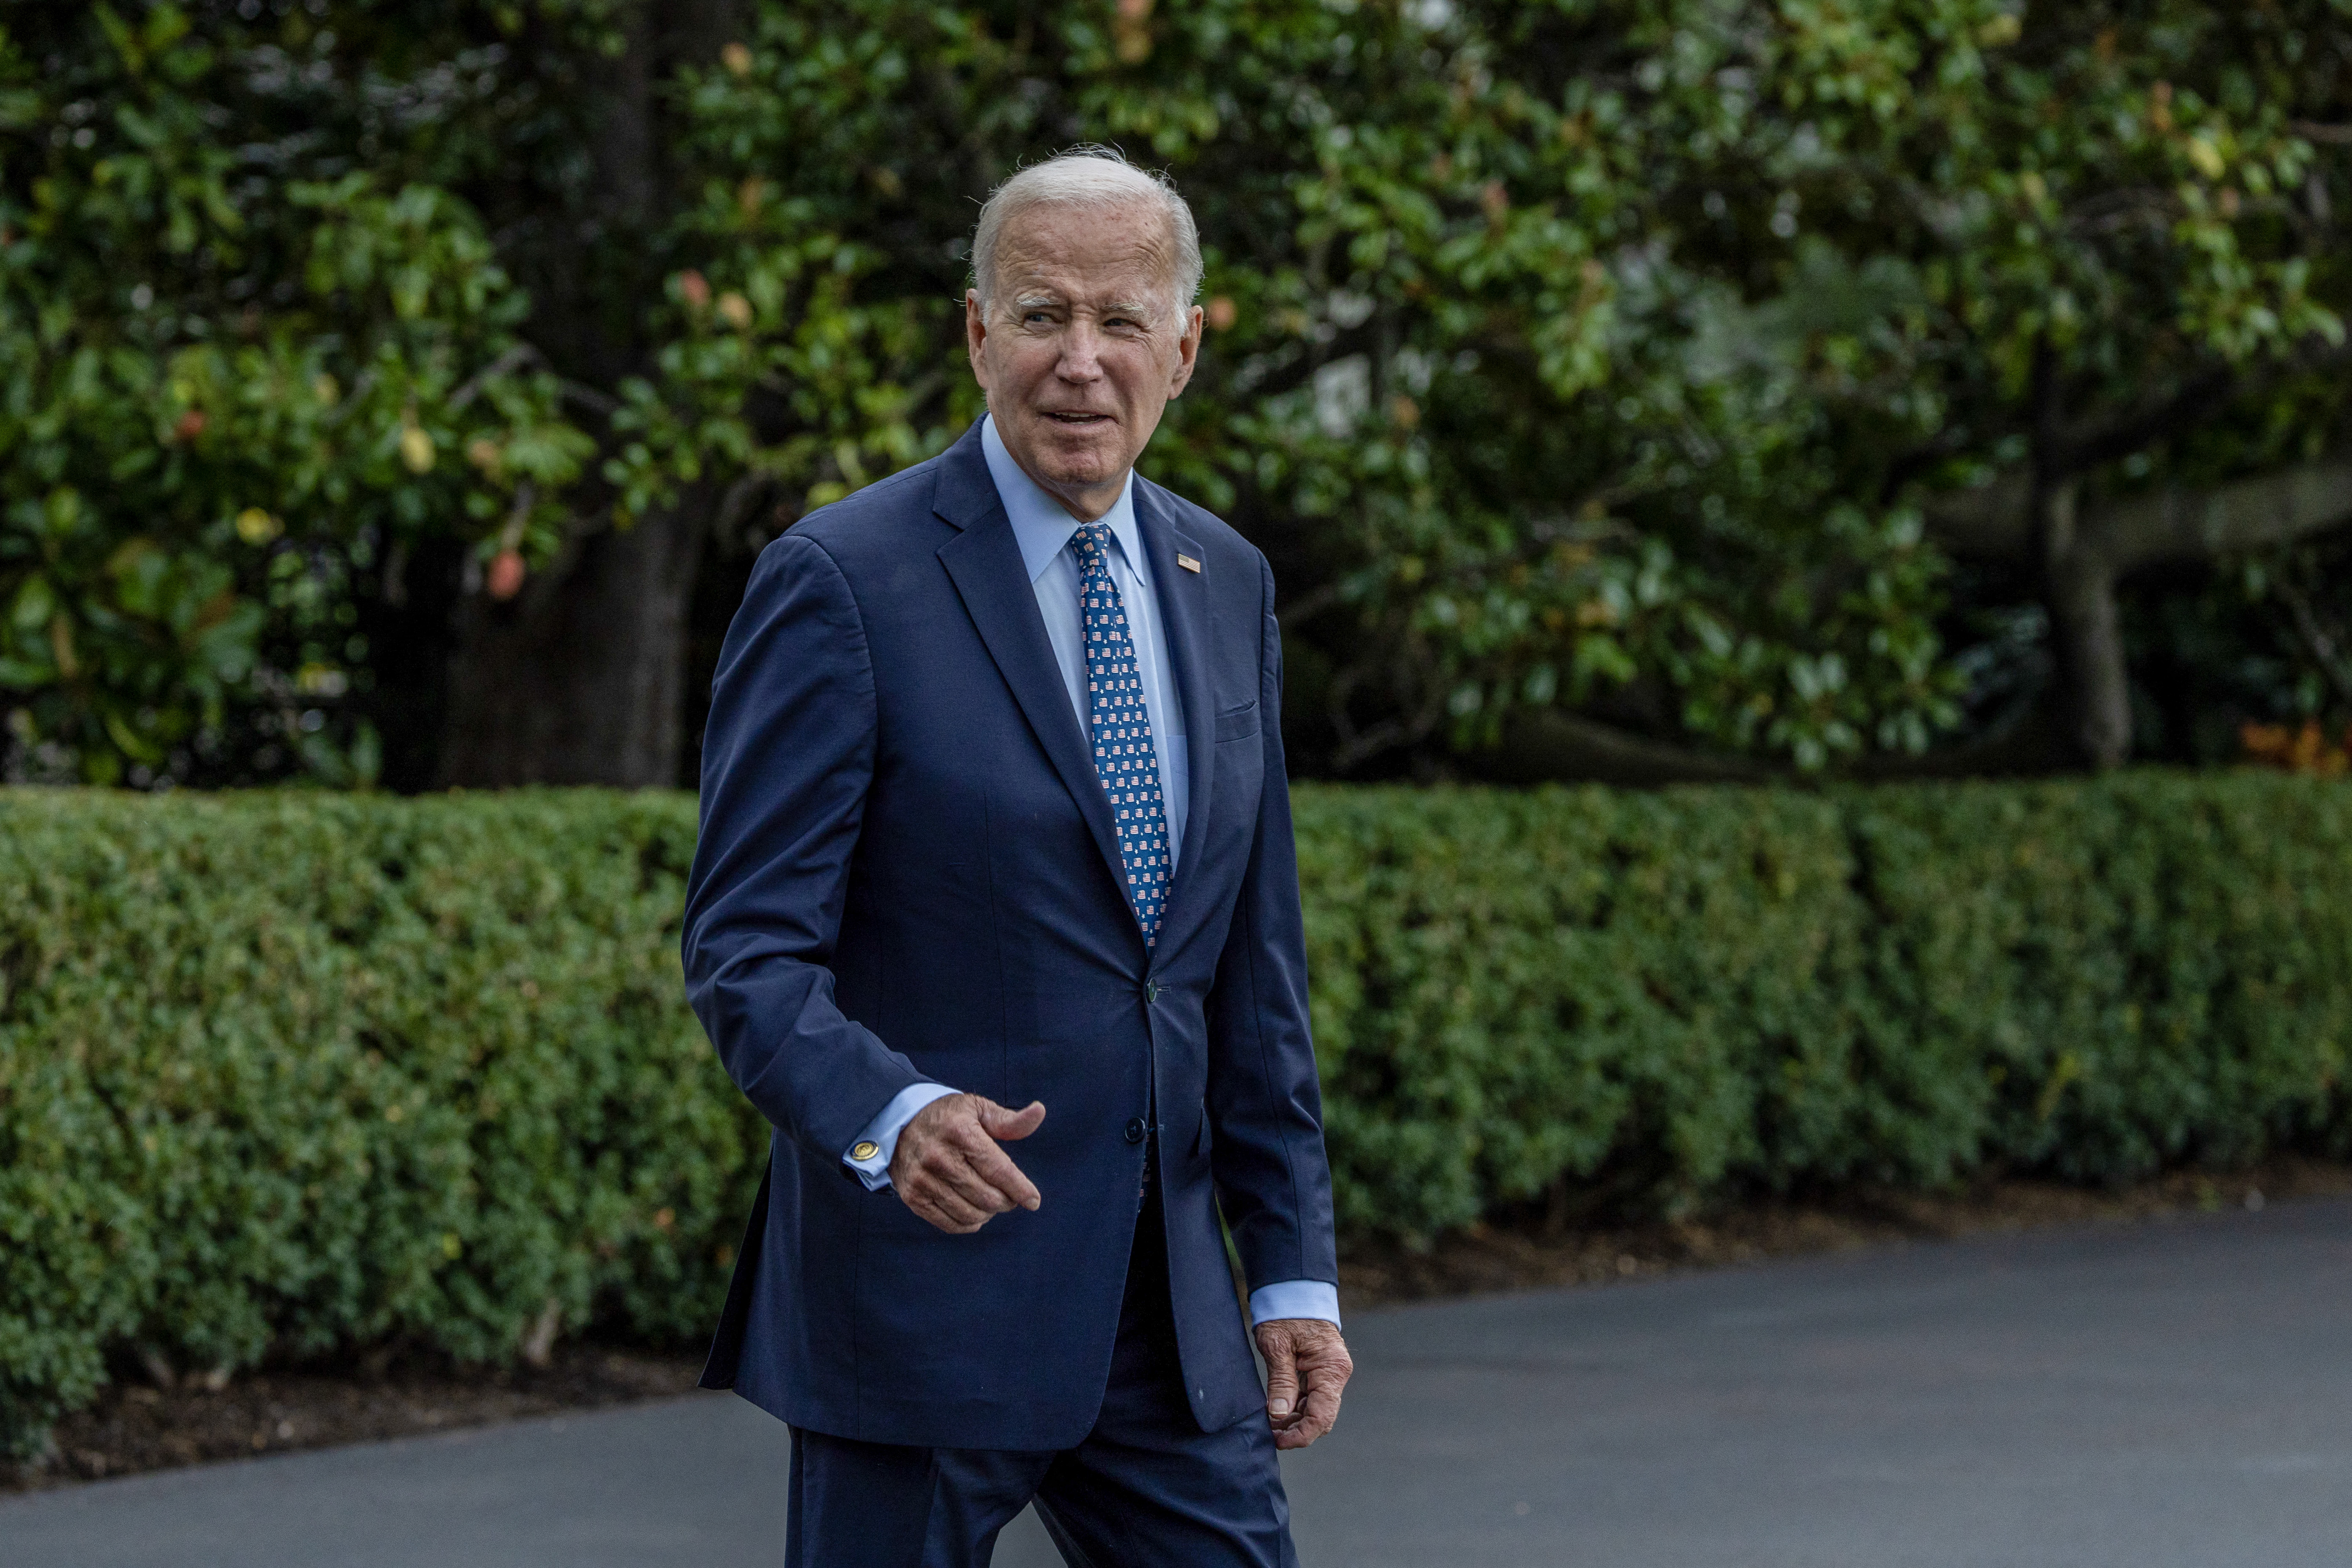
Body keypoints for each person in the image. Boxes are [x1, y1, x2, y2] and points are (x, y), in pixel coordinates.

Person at [682, 146, 1352, 1566]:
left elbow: (1251, 969)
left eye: (1121, 321)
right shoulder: (842, 580)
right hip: (921, 1312)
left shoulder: (1227, 582)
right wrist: (892, 1112)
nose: (1080, 362)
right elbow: (747, 953)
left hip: (1168, 1321)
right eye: (1043, 315)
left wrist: (1292, 1269)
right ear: (979, 335)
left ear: (1185, 349)